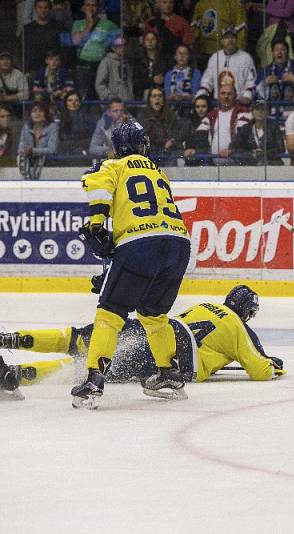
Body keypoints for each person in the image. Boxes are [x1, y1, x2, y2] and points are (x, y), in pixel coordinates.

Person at [71, 119, 191, 409]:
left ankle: (94, 380)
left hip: (141, 245)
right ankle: (168, 372)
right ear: (142, 144)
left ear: (118, 147)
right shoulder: (159, 172)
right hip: (178, 245)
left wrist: (97, 225)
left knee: (110, 313)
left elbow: (96, 186)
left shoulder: (113, 166)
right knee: (153, 314)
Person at [0, 286, 284, 391]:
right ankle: (16, 375)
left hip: (152, 329)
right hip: (171, 356)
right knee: (87, 367)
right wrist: (274, 364)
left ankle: (10, 339)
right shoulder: (240, 328)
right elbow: (260, 371)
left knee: (78, 339)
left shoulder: (203, 306)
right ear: (247, 312)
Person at [70, 0, 119, 99]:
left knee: (104, 99)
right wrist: (90, 24)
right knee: (83, 99)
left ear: (99, 8)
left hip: (102, 66)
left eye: (94, 5)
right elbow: (76, 41)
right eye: (88, 5)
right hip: (83, 67)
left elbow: (120, 43)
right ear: (83, 8)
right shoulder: (77, 23)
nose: (91, 8)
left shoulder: (109, 25)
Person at [196, 25, 257, 104]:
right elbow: (207, 80)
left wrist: (247, 96)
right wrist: (201, 94)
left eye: (232, 37)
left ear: (236, 40)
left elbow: (251, 81)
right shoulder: (215, 57)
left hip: (239, 103)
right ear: (221, 41)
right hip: (218, 103)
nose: (230, 40)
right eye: (226, 38)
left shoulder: (246, 57)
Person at [196, 83, 252, 161]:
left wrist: (231, 150)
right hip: (213, 163)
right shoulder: (211, 115)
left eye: (229, 94)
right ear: (218, 96)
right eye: (223, 93)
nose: (226, 96)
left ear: (235, 96)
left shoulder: (243, 113)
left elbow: (242, 136)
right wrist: (191, 147)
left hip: (237, 163)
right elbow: (199, 134)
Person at [230, 99, 285, 165]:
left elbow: (281, 148)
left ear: (268, 112)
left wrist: (263, 153)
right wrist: (250, 154)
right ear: (252, 111)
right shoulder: (245, 129)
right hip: (250, 164)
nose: (260, 112)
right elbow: (233, 147)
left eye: (263, 109)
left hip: (270, 164)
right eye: (257, 109)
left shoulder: (274, 128)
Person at [22, 0, 65, 75]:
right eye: (40, 7)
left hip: (54, 70)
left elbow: (64, 49)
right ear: (35, 9)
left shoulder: (59, 27)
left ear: (50, 9)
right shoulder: (27, 29)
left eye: (46, 8)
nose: (43, 10)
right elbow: (22, 52)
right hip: (33, 71)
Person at [18, 102, 59, 178]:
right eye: (34, 111)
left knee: (41, 158)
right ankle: (27, 180)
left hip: (48, 161)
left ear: (45, 114)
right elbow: (20, 147)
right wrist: (24, 150)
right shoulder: (26, 127)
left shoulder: (52, 127)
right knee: (20, 157)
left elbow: (52, 149)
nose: (37, 114)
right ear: (30, 114)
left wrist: (32, 151)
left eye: (40, 111)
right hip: (30, 160)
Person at [129, 30, 171, 99]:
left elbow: (169, 78)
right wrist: (152, 80)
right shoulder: (138, 60)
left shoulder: (164, 59)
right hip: (142, 96)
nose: (150, 42)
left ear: (157, 41)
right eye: (147, 39)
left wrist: (164, 80)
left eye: (153, 39)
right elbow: (135, 82)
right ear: (144, 43)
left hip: (160, 94)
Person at [139, 86, 177, 162]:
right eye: (154, 96)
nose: (157, 98)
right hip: (149, 155)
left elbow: (175, 134)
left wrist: (172, 141)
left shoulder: (171, 115)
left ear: (163, 99)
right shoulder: (142, 116)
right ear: (149, 100)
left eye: (160, 96)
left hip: (167, 154)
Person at [58, 90, 96, 159]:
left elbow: (92, 134)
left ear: (80, 102)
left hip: (84, 145)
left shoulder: (88, 116)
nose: (73, 103)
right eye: (70, 100)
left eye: (76, 100)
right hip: (66, 147)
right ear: (65, 103)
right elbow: (61, 136)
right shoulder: (60, 117)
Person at [94, 34, 134, 100]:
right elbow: (99, 85)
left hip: (128, 102)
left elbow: (129, 83)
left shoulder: (127, 63)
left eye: (125, 45)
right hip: (112, 104)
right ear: (113, 48)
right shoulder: (106, 62)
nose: (123, 48)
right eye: (119, 46)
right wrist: (111, 97)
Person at [178, 94, 211, 165]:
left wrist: (197, 151)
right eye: (197, 107)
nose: (200, 109)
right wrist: (184, 151)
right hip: (191, 161)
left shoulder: (213, 121)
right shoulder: (189, 123)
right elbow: (178, 140)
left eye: (203, 106)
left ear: (208, 107)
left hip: (208, 160)